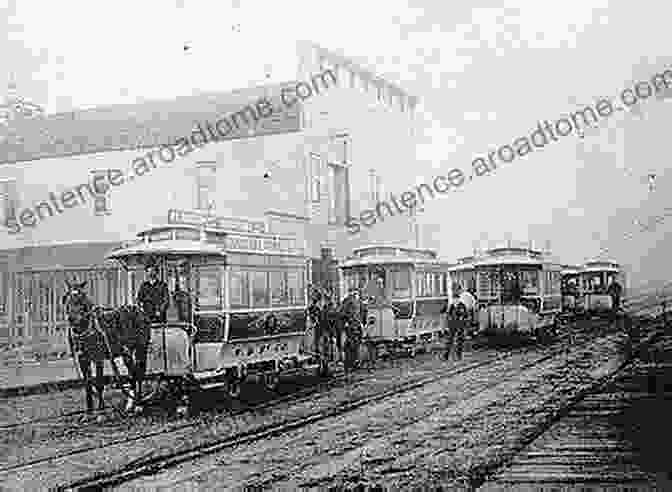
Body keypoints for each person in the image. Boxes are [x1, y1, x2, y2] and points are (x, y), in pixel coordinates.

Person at [340, 289, 363, 372]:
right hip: (350, 325)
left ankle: (354, 362)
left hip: (356, 325)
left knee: (356, 344)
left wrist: (360, 323)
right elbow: (342, 313)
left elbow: (360, 313)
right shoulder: (347, 301)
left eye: (355, 293)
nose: (354, 294)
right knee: (350, 344)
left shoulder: (358, 302)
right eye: (353, 293)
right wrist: (346, 322)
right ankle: (349, 363)